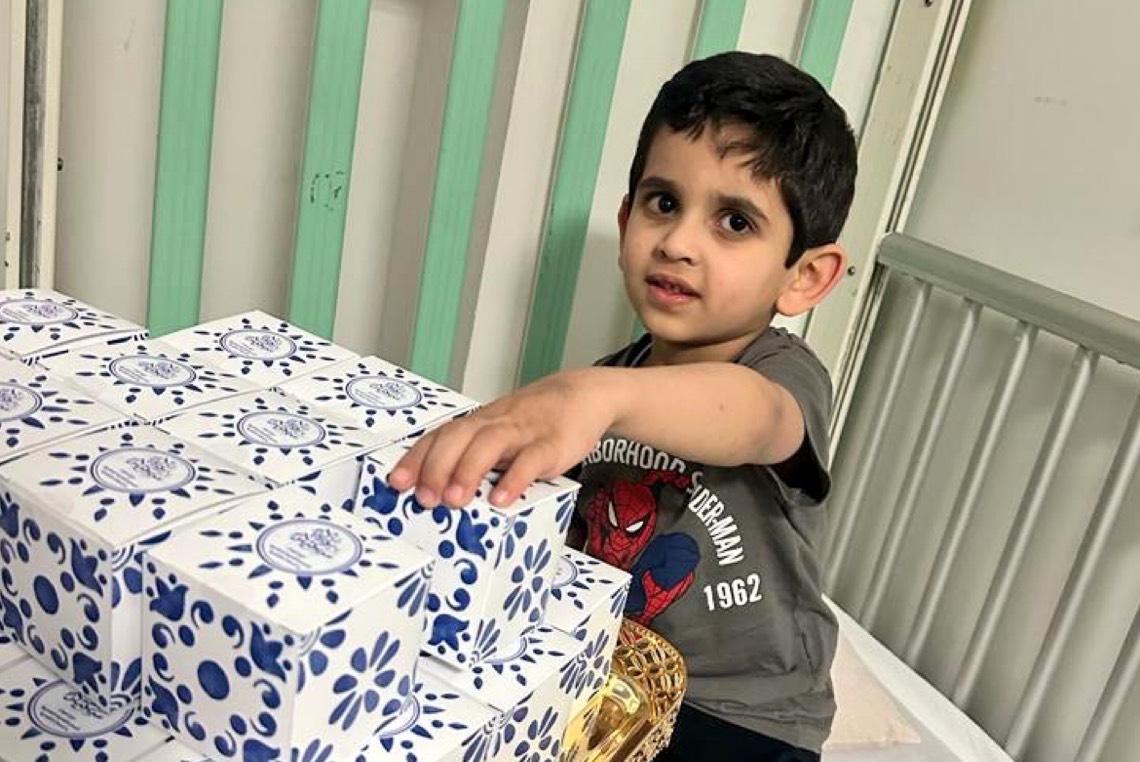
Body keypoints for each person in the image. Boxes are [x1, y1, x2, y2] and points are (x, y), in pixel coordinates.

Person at [388, 51, 858, 762]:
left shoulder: (780, 376)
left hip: (741, 712)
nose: (678, 242)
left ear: (805, 276)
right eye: (663, 203)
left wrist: (594, 396)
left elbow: (753, 418)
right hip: (607, 667)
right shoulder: (613, 381)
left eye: (734, 222)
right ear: (626, 216)